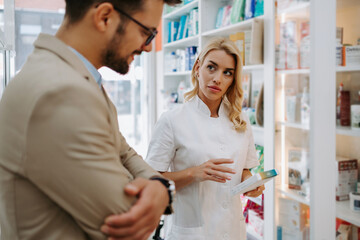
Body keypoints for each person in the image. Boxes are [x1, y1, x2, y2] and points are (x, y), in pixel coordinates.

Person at [0, 0, 180, 239]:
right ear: (104, 16)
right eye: (147, 33)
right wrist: (160, 192)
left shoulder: (77, 78)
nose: (148, 47)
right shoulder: (59, 91)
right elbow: (127, 218)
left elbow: (123, 152)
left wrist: (160, 187)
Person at [104, 37, 265, 239]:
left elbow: (244, 169)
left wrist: (251, 183)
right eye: (211, 68)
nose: (218, 79)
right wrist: (193, 174)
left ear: (233, 80)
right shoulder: (172, 120)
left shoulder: (240, 121)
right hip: (190, 233)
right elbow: (150, 179)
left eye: (227, 73)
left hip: (231, 229)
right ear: (198, 68)